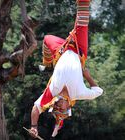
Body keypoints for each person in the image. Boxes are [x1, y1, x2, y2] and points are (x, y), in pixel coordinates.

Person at [30, 0, 103, 138]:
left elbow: (36, 108)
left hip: (61, 50)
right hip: (79, 50)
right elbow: (99, 91)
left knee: (46, 38)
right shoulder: (78, 93)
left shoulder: (52, 93)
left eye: (55, 109)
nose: (57, 106)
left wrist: (34, 127)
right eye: (60, 109)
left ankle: (47, 62)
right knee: (82, 18)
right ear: (68, 107)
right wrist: (88, 77)